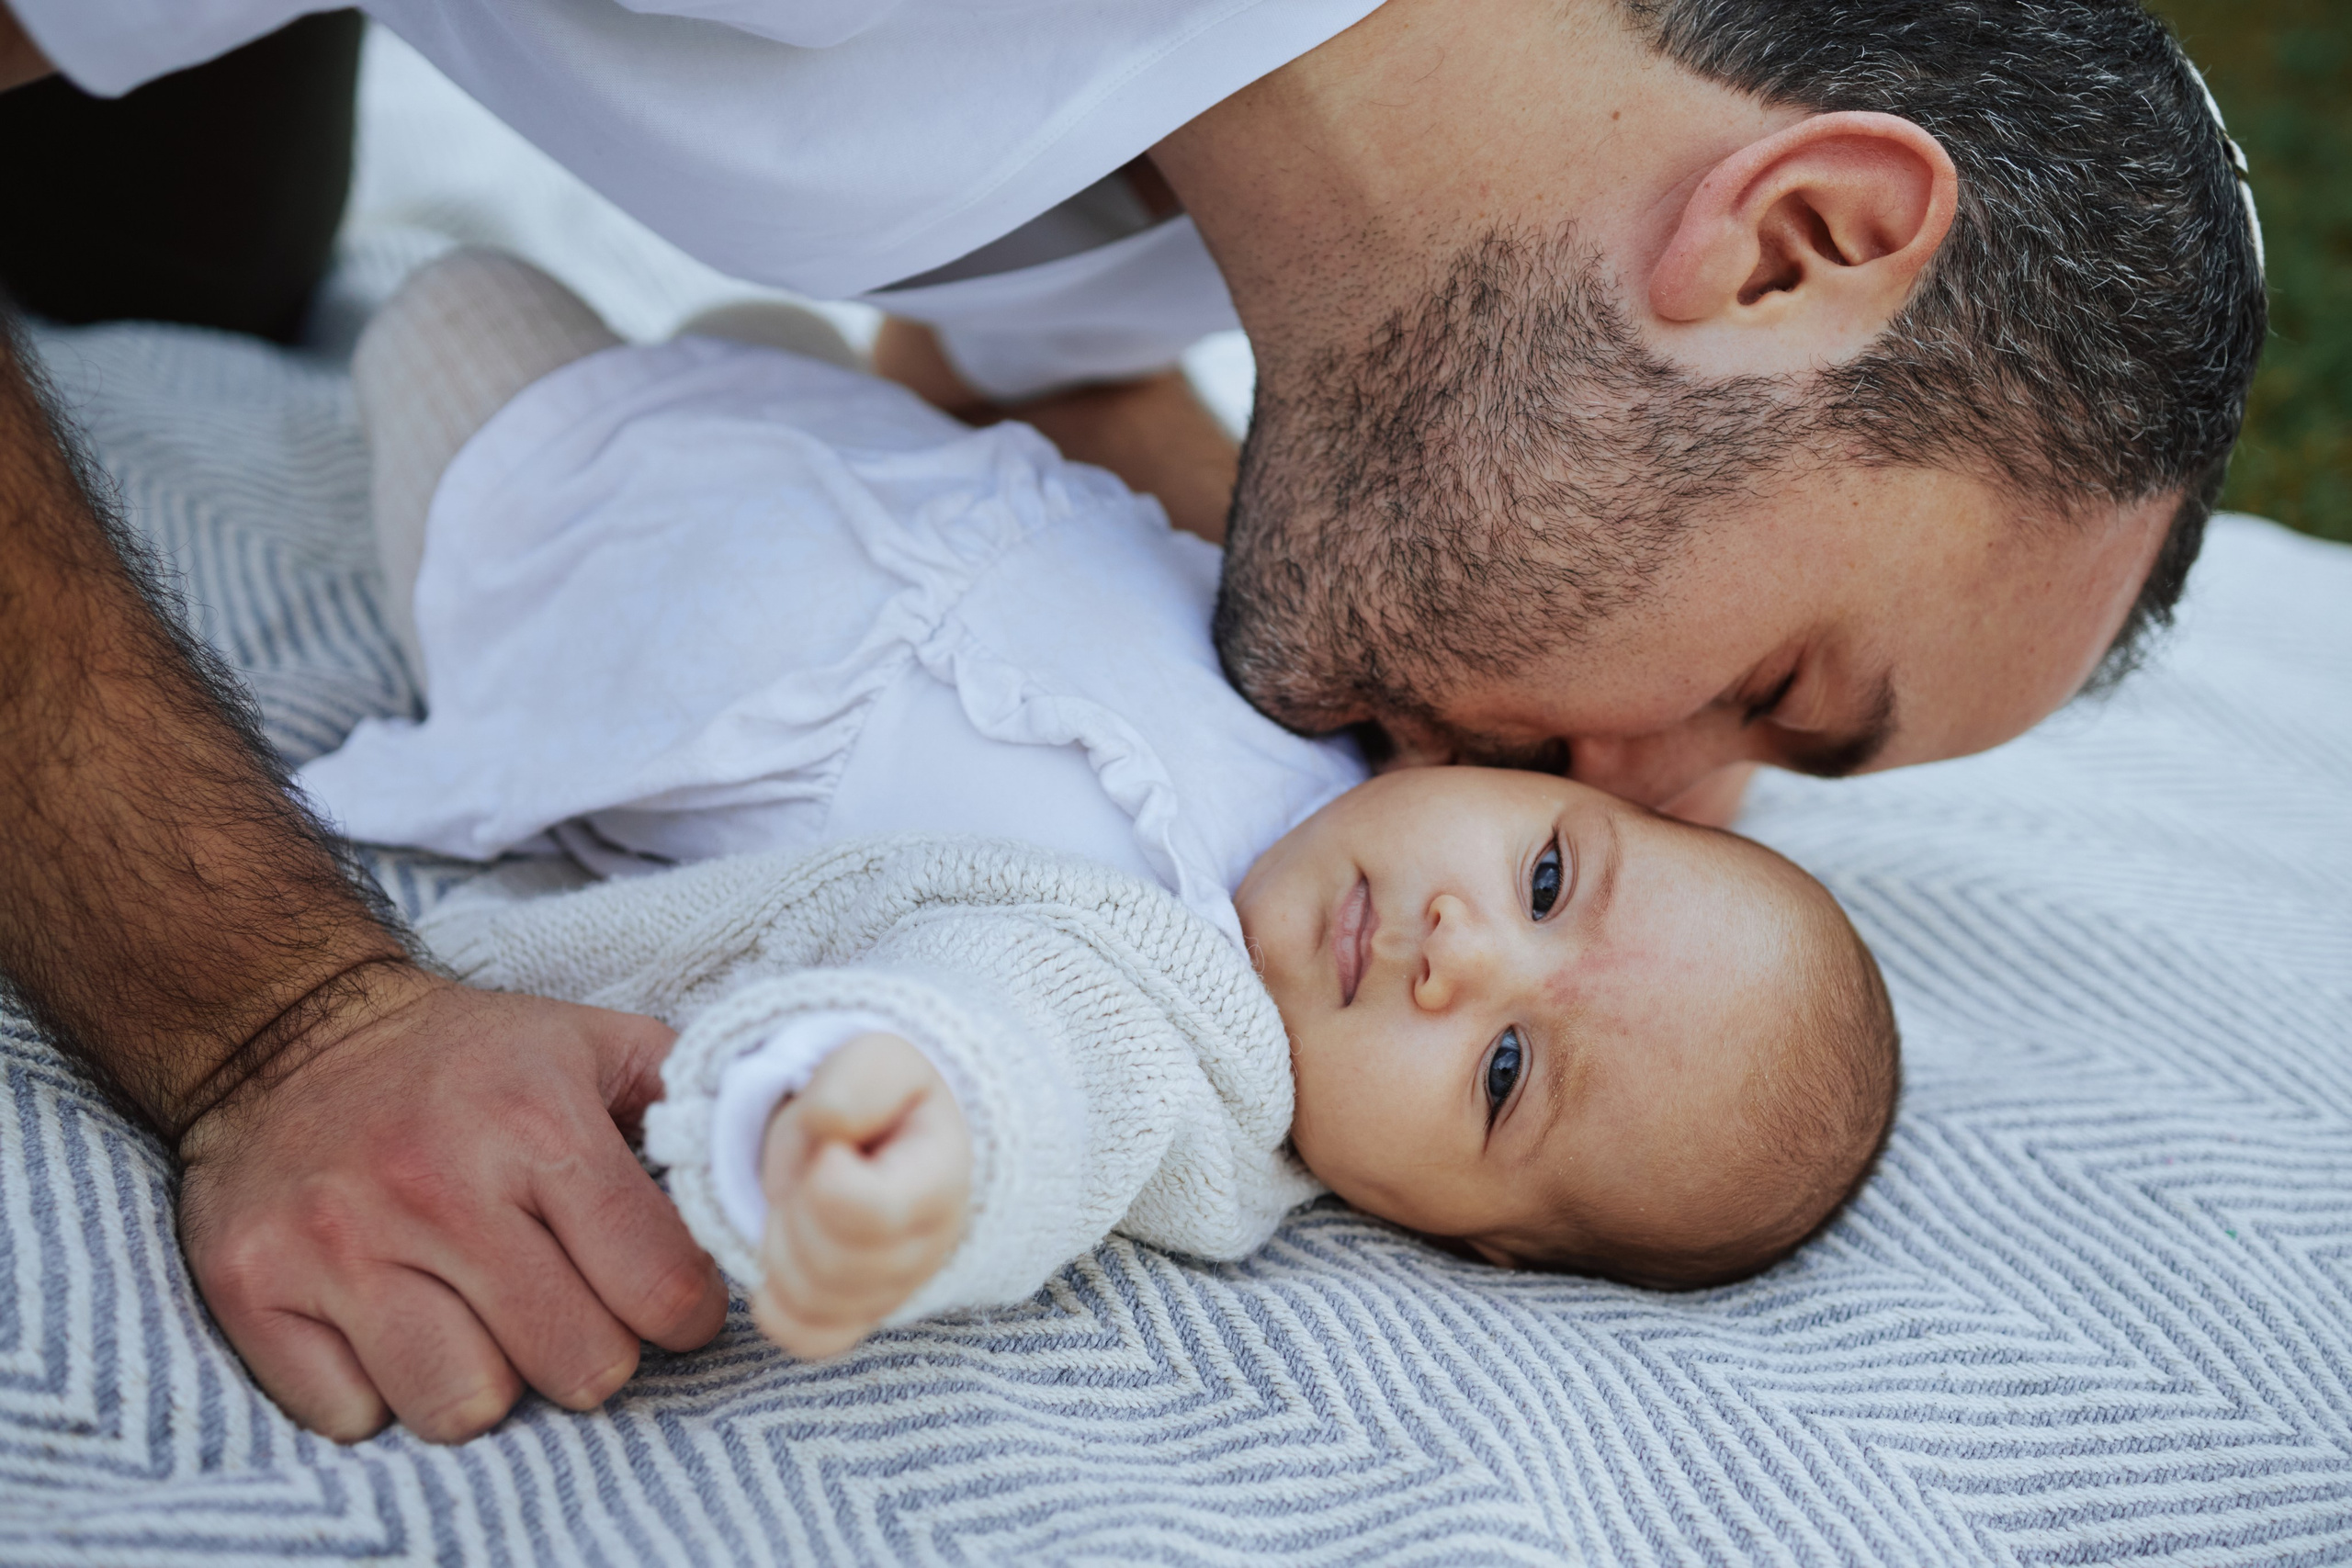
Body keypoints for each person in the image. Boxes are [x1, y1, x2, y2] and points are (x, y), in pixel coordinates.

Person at [0, 0, 2263, 1442]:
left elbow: (1041, 379)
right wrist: (265, 1015)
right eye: (1776, 693)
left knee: (182, 263)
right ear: (1790, 242)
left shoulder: (1268, 188)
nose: (1646, 792)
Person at [312, 249, 1900, 1357]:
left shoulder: (1189, 1042)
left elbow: (1029, 1080)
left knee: (451, 308)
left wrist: (906, 1147)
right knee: (754, 330)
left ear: (1468, 1239)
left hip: (595, 567)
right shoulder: (1377, 725)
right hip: (854, 453)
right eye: (1550, 883)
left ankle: (450, 346)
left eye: (1499, 1070)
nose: (1457, 952)